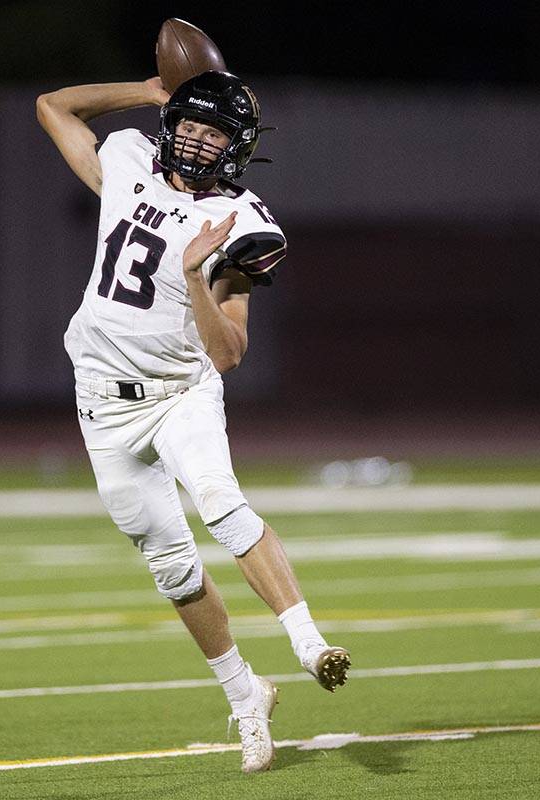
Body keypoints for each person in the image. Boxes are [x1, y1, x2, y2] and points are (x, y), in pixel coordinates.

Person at [35, 70, 349, 774]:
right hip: (102, 399)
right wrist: (148, 89)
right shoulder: (125, 160)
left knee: (220, 503)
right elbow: (53, 107)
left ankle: (309, 645)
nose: (195, 141)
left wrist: (198, 275)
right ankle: (246, 698)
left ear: (237, 148)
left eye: (213, 134)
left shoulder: (243, 222)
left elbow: (228, 354)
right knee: (172, 567)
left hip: (181, 389)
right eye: (188, 124)